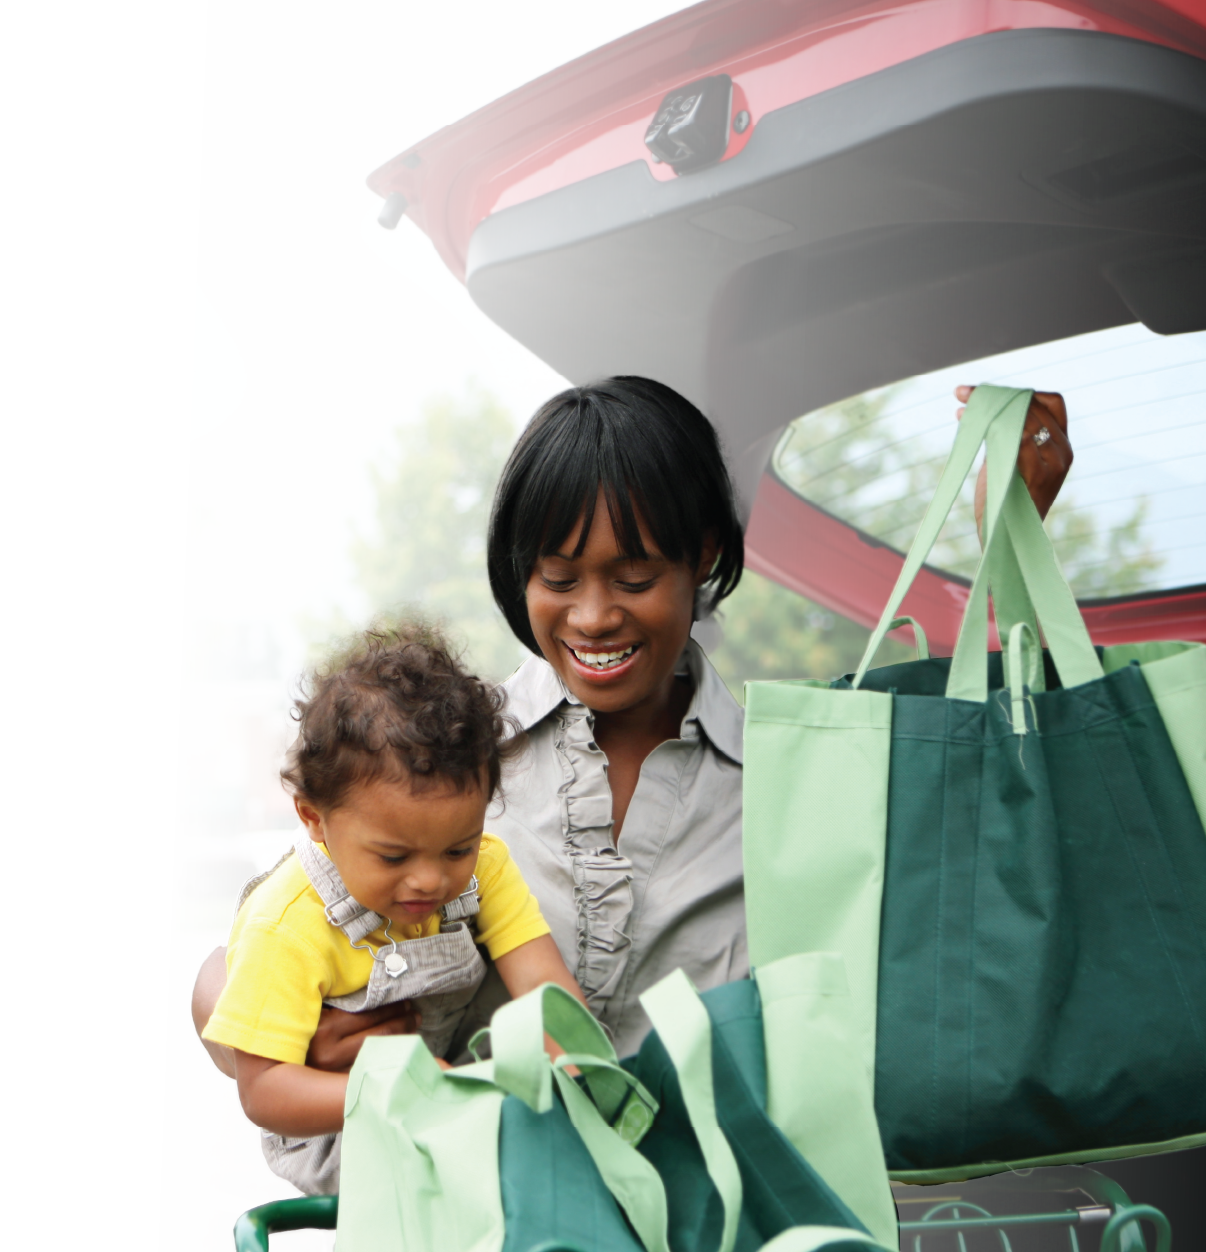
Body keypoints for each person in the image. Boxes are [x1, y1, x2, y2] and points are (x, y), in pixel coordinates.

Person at [191, 377, 1072, 1068]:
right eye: (559, 578)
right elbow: (242, 960)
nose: (592, 617)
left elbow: (989, 815)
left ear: (704, 559)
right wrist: (287, 1037)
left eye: (636, 576)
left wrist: (1011, 537)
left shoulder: (790, 778)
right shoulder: (436, 763)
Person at [199, 623, 585, 1194]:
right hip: (338, 1136)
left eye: (458, 846)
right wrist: (413, 1084)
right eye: (393, 855)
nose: (429, 879)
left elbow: (545, 988)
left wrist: (581, 1076)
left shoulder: (486, 868)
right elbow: (263, 1093)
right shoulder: (288, 924)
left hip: (442, 1101)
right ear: (313, 818)